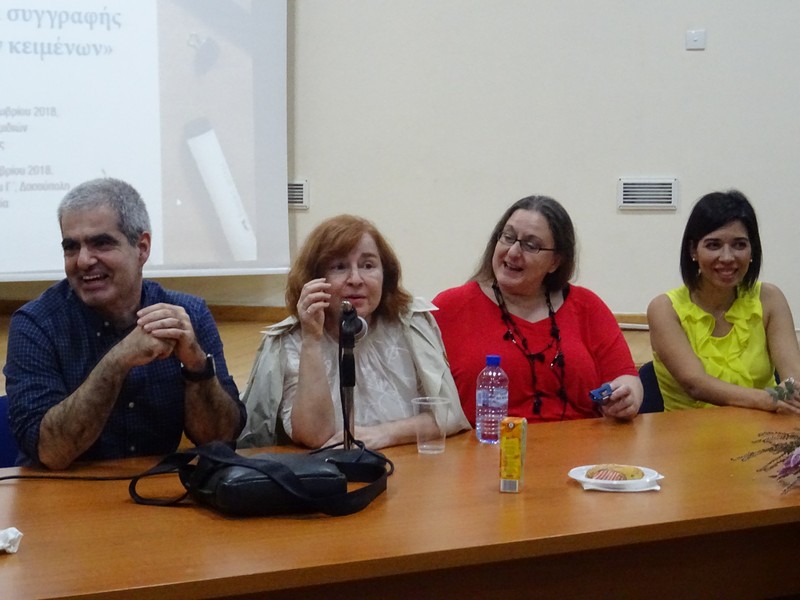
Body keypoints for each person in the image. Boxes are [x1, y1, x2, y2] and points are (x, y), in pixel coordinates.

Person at [3, 178, 245, 469]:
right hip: (58, 489)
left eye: (101, 243)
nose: (83, 261)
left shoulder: (188, 315)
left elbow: (221, 438)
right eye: (71, 247)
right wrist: (118, 360)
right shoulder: (36, 325)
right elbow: (51, 451)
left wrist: (197, 366)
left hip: (152, 487)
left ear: (142, 248)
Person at [238, 214, 470, 450]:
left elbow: (448, 414)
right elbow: (315, 436)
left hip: (407, 462)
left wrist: (384, 434)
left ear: (385, 273)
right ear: (314, 279)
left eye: (368, 266)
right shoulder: (288, 342)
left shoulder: (410, 324)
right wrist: (312, 340)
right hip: (325, 469)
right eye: (339, 267)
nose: (356, 279)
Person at [433, 195, 642, 424]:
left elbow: (627, 378)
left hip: (582, 444)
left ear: (555, 262)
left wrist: (627, 397)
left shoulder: (587, 306)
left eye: (530, 245)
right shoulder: (450, 307)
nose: (513, 252)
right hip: (488, 443)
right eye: (508, 237)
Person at [647, 189, 800, 414]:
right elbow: (696, 384)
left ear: (752, 250)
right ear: (693, 250)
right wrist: (770, 400)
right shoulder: (664, 308)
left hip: (763, 429)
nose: (727, 257)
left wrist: (783, 396)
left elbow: (794, 379)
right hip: (688, 433)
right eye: (713, 245)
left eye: (739, 245)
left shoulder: (769, 298)